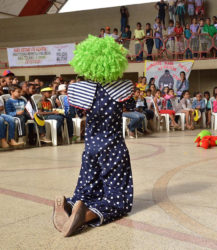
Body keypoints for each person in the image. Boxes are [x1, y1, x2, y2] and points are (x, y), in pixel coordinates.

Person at [53, 36, 134, 237]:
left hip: (91, 148)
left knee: (87, 189)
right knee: (118, 200)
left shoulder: (80, 90)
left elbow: (73, 113)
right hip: (114, 147)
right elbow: (132, 107)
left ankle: (71, 204)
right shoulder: (122, 88)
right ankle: (87, 215)